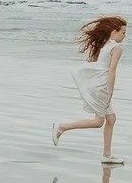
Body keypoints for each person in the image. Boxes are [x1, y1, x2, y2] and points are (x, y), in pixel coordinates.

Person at [53, 16, 128, 165]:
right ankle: (62, 127)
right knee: (98, 122)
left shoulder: (106, 44)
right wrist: (110, 91)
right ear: (114, 32)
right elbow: (112, 71)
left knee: (111, 119)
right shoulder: (116, 48)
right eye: (123, 32)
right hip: (102, 87)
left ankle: (107, 155)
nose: (125, 36)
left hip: (97, 84)